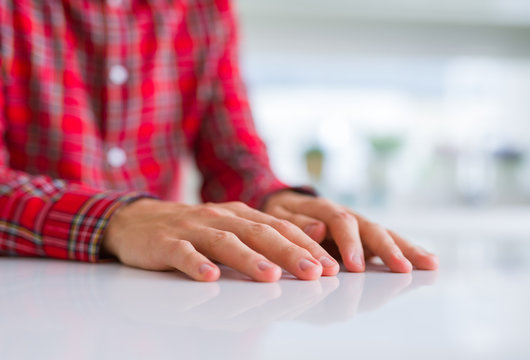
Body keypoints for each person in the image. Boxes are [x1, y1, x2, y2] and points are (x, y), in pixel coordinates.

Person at [0, 0, 438, 282]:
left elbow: (234, 158)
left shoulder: (206, 10)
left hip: (158, 299)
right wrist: (120, 220)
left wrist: (274, 203)